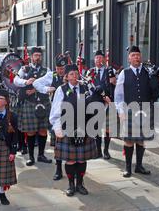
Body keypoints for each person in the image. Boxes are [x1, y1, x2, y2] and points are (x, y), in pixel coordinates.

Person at [114, 45, 159, 178]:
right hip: (129, 110)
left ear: (141, 57)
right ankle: (127, 168)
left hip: (145, 109)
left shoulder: (148, 71)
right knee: (129, 140)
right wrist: (120, 110)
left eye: (138, 55)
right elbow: (119, 95)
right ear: (129, 59)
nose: (136, 57)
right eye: (133, 55)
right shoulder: (123, 73)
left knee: (141, 139)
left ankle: (139, 166)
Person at [49, 64, 98, 197]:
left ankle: (80, 184)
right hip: (67, 128)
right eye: (71, 74)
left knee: (82, 159)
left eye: (76, 73)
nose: (75, 76)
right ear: (66, 76)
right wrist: (58, 128)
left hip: (84, 127)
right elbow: (55, 111)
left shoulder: (86, 88)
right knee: (70, 160)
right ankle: (71, 185)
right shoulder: (61, 89)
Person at [32, 54, 69, 180]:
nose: (60, 71)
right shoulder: (51, 75)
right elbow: (36, 83)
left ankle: (72, 167)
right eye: (58, 68)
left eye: (62, 69)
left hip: (71, 113)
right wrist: (47, 89)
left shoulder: (71, 75)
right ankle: (58, 170)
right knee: (57, 144)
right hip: (57, 113)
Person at [14, 47, 52, 166]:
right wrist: (25, 82)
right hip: (30, 103)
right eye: (35, 55)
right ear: (31, 57)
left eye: (39, 56)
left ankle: (41, 155)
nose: (38, 58)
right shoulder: (24, 69)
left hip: (44, 103)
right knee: (30, 131)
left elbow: (50, 82)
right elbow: (15, 80)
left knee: (43, 130)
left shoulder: (47, 70)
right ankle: (31, 157)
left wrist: (35, 87)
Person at [86, 50, 117, 160]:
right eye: (97, 57)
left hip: (108, 103)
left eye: (101, 57)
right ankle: (98, 151)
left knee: (108, 128)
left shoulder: (110, 70)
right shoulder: (90, 72)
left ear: (104, 59)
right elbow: (88, 88)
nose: (99, 59)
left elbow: (114, 84)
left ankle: (106, 151)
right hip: (95, 103)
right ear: (94, 60)